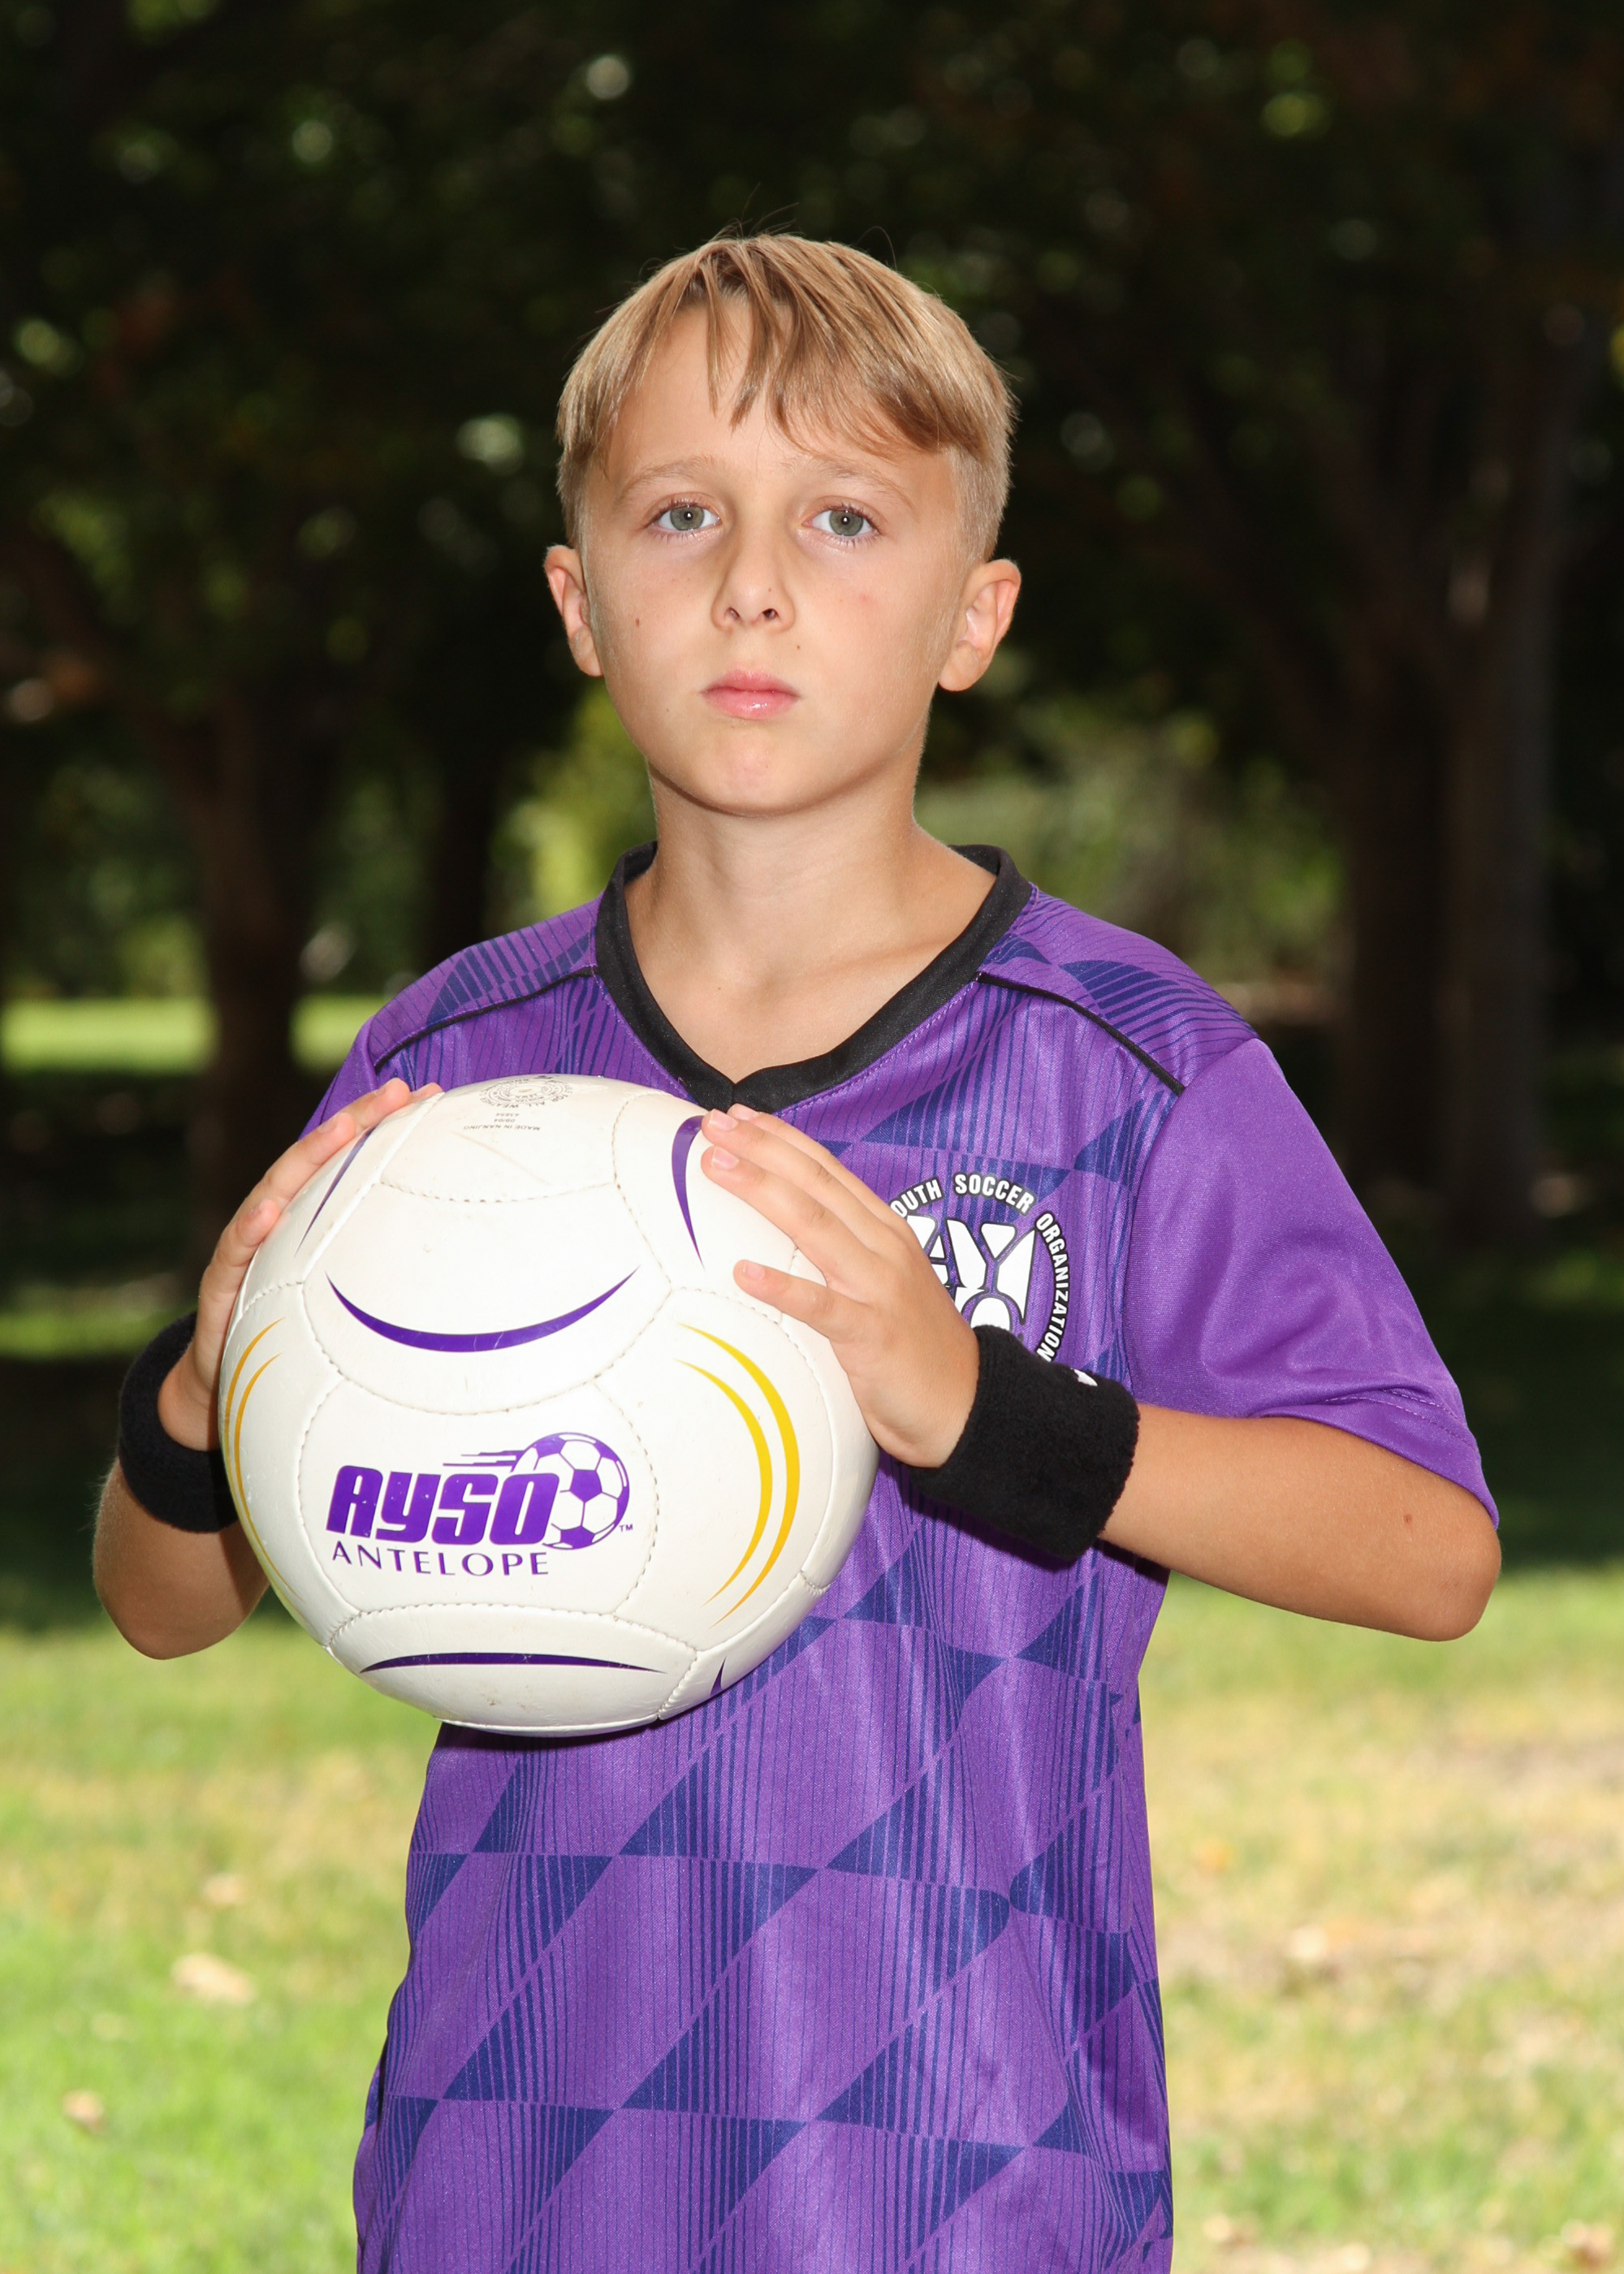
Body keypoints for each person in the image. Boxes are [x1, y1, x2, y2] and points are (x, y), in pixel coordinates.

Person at [95, 235, 1500, 2272]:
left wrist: (980, 1404)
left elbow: (1429, 1549)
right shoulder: (451, 1075)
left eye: (843, 518)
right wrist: (201, 1390)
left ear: (972, 614)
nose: (752, 583)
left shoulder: (1124, 1064)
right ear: (581, 601)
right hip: (512, 2166)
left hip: (962, 2173)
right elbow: (162, 1605)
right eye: (681, 515)